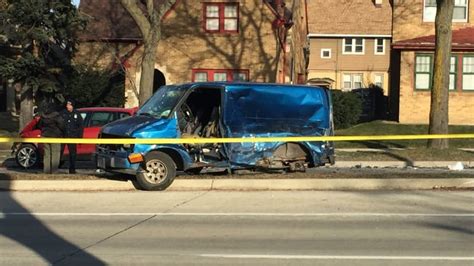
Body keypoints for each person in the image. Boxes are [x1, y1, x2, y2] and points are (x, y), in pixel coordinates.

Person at [38, 105, 65, 174]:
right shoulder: (56, 116)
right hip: (55, 136)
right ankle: (54, 171)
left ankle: (46, 170)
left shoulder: (43, 116)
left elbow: (39, 125)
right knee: (55, 153)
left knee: (46, 154)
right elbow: (62, 125)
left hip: (45, 136)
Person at [62, 99, 83, 174]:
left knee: (73, 153)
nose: (67, 106)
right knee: (60, 152)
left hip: (72, 136)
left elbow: (80, 126)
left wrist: (80, 137)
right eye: (67, 104)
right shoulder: (63, 113)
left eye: (69, 105)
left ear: (72, 106)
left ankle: (72, 169)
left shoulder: (77, 114)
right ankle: (55, 168)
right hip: (64, 136)